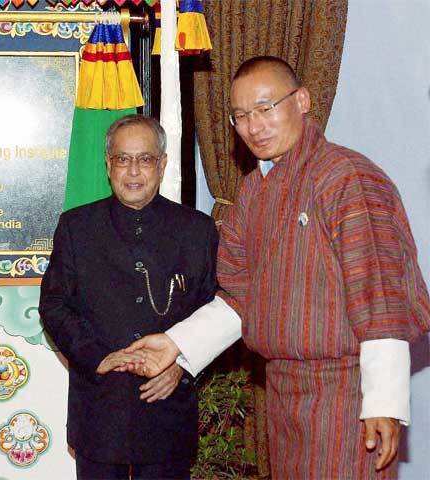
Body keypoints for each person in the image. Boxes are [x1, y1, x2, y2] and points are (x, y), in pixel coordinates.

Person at [112, 57, 430, 479]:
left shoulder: (347, 178)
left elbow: (380, 297)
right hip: (281, 392)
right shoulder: (252, 191)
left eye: (266, 109)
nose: (253, 127)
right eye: (240, 116)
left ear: (301, 101)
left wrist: (384, 404)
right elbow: (240, 297)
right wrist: (175, 345)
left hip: (344, 393)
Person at [39, 114, 219, 480]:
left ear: (162, 164)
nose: (133, 171)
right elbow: (54, 305)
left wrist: (182, 363)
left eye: (145, 159)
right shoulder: (77, 227)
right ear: (108, 165)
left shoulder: (196, 230)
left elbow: (215, 309)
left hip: (168, 406)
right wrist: (97, 357)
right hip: (101, 407)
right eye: (123, 159)